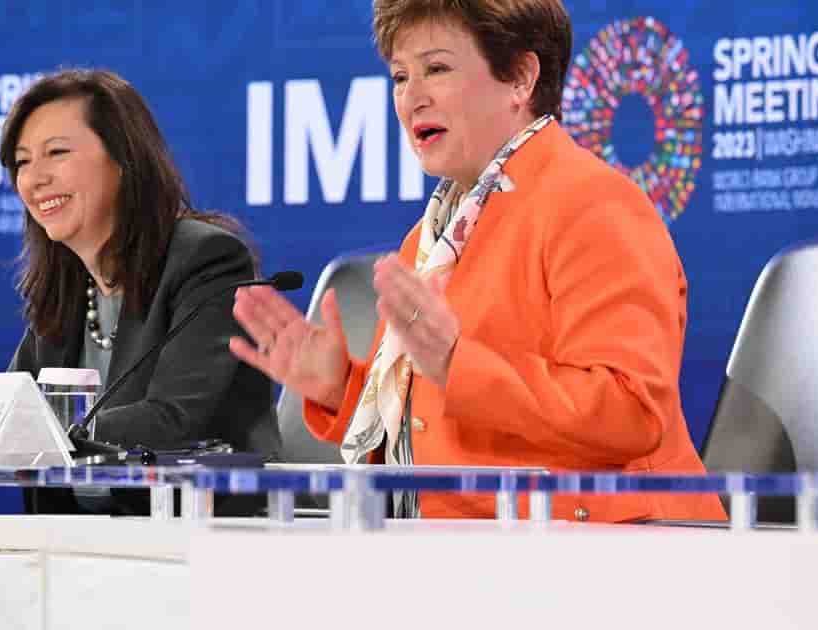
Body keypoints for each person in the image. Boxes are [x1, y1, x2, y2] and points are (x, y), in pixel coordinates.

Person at [231, 0, 726, 522]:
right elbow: (434, 435)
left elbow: (630, 412)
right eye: (400, 77)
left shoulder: (595, 205)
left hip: (619, 550)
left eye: (437, 69)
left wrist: (456, 364)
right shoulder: (430, 237)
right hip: (465, 549)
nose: (412, 99)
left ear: (520, 78)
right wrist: (340, 387)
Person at [0, 69, 281, 515]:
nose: (34, 178)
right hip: (74, 539)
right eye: (22, 162)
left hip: (202, 531)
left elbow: (175, 420)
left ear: (124, 158)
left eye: (56, 152)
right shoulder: (66, 287)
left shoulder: (206, 260)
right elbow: (7, 411)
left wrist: (29, 430)